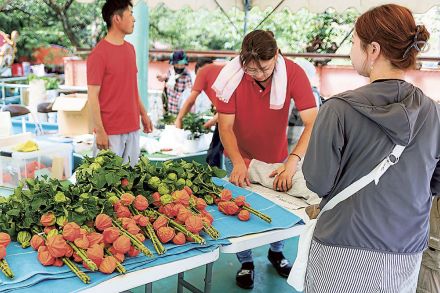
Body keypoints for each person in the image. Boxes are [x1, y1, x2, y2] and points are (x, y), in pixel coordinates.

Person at [301, 4, 440, 292]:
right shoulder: (434, 112)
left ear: (373, 50)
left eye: (353, 42)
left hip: (342, 246)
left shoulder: (338, 109)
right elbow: (435, 183)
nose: (351, 50)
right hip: (407, 250)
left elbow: (318, 181)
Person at [215, 30, 318, 289]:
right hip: (239, 155)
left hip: (277, 158)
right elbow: (225, 127)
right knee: (240, 209)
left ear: (277, 55)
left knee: (282, 209)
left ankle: (277, 252)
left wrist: (293, 160)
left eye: (265, 68)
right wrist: (237, 161)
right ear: (242, 62)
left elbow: (312, 121)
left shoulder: (293, 72)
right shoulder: (230, 78)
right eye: (252, 70)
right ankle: (246, 262)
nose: (260, 75)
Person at [87, 0, 152, 166]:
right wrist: (100, 130)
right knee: (105, 187)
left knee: (129, 184)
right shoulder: (98, 54)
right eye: (130, 14)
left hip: (132, 128)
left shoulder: (130, 49)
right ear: (117, 18)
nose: (134, 20)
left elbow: (131, 88)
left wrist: (143, 114)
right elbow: (92, 96)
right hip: (110, 132)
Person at [175, 58, 226, 167]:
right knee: (215, 154)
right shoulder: (224, 70)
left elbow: (191, 100)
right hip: (231, 117)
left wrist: (179, 119)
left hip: (229, 119)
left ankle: (215, 179)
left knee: (214, 157)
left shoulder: (203, 72)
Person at [156, 50, 192, 115]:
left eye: (182, 65)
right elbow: (166, 76)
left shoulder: (186, 75)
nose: (179, 67)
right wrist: (162, 77)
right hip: (170, 105)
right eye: (177, 65)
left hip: (180, 108)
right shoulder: (171, 71)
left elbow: (189, 91)